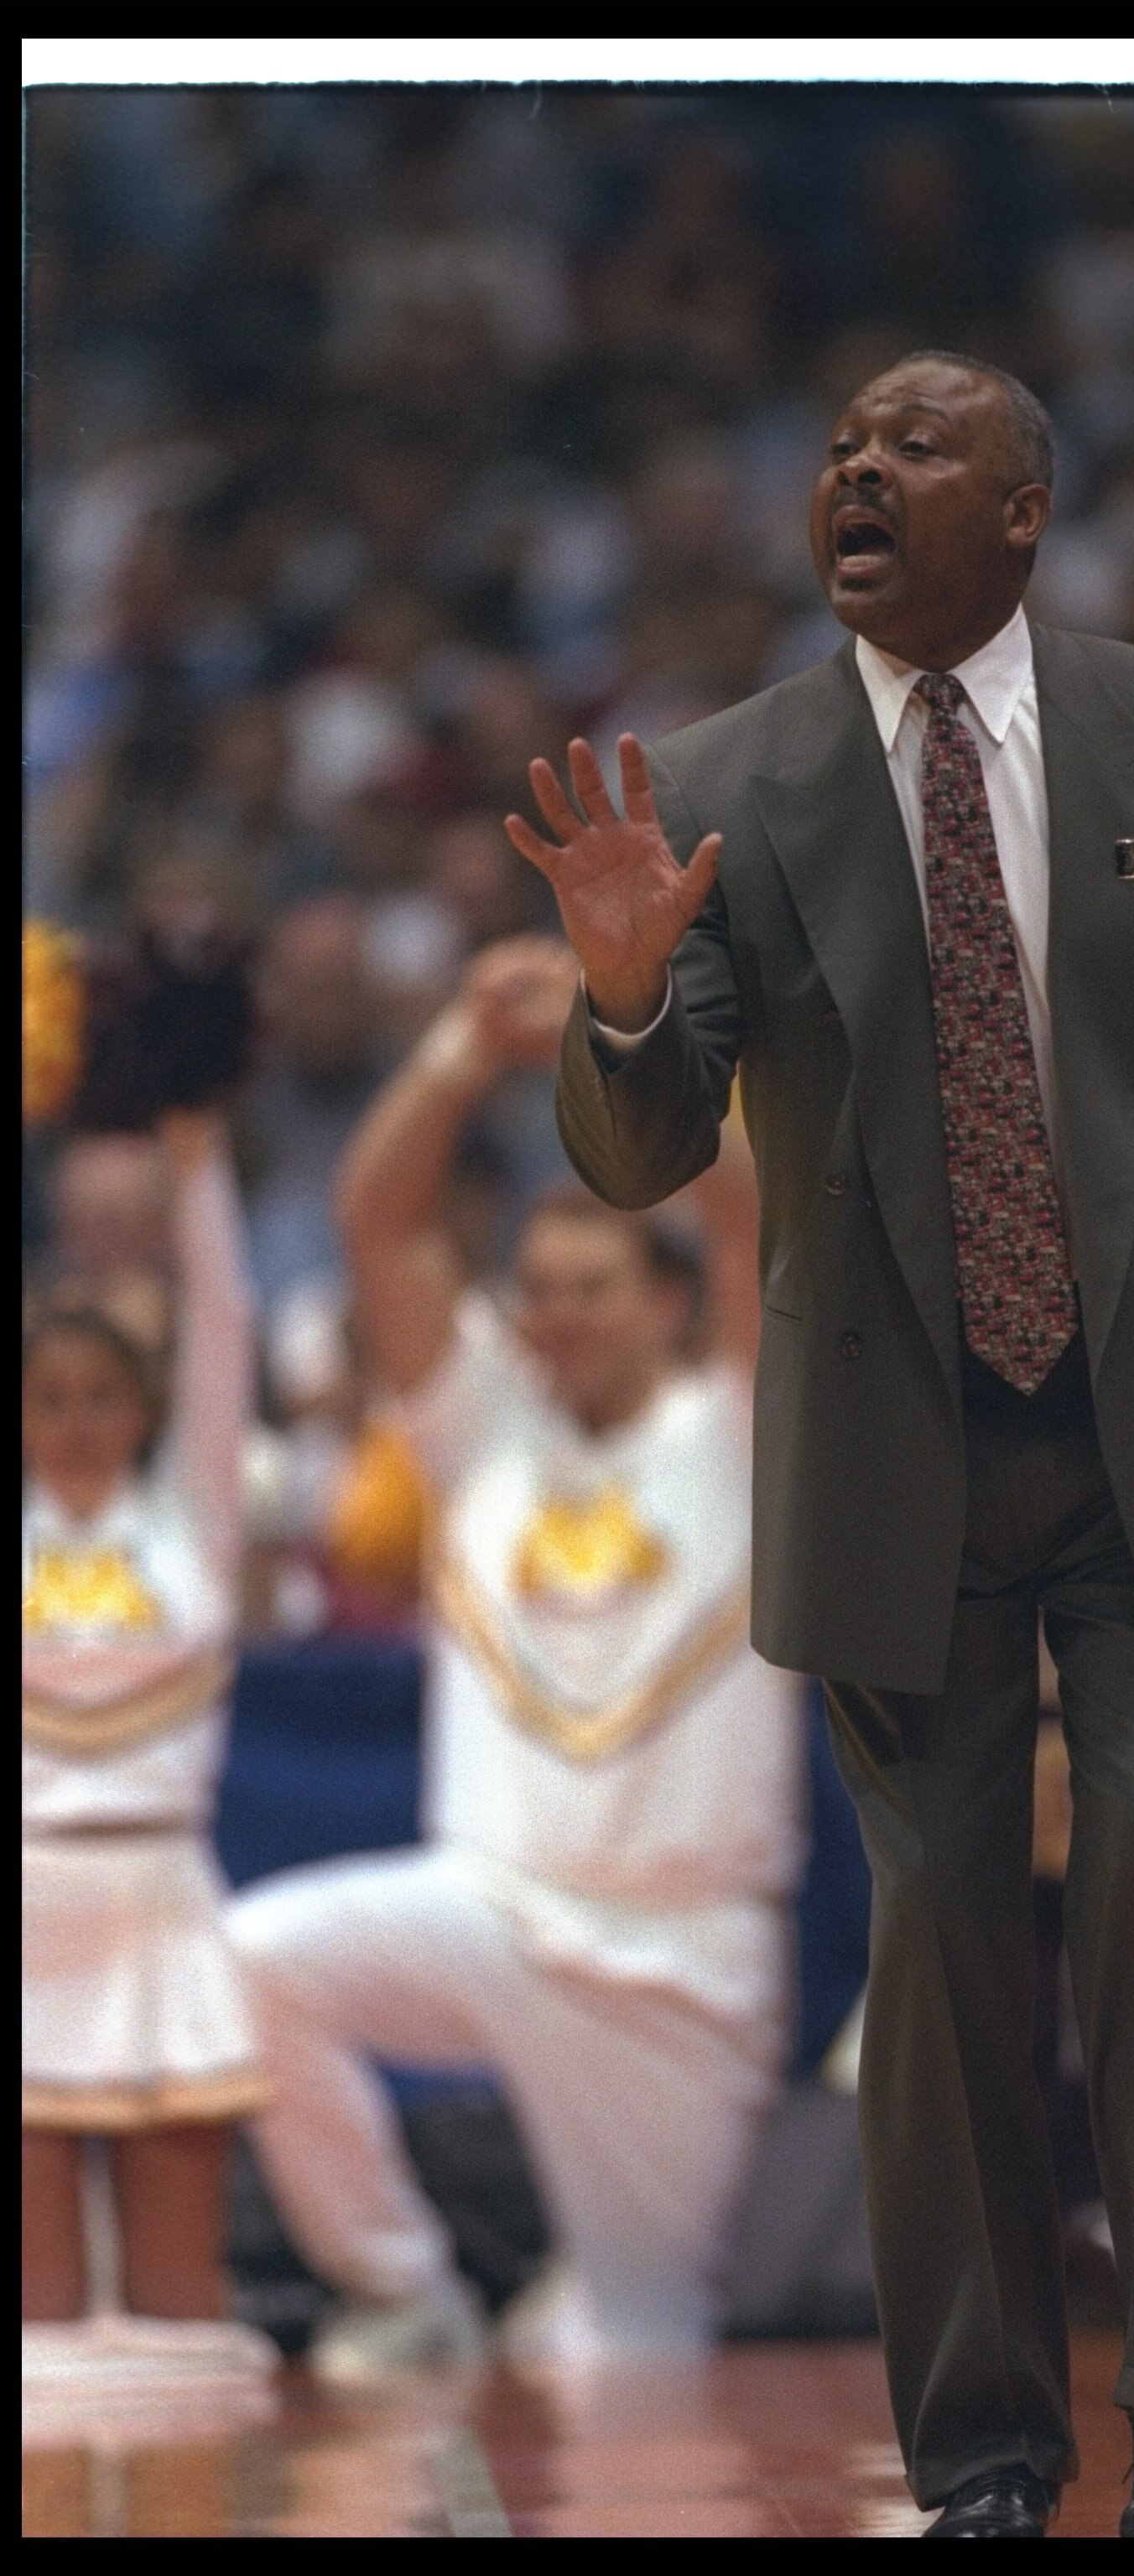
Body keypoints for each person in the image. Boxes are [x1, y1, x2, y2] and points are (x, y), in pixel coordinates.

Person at [512, 351, 1134, 2536]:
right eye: (835, 452)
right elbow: (641, 1152)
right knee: (939, 1938)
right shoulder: (723, 775)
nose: (857, 475)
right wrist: (621, 995)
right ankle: (986, 2458)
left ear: (1022, 509)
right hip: (895, 1455)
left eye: (911, 447)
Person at [227, 936, 803, 2378]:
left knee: (628, 2354)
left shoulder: (740, 1431)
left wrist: (633, 1030)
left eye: (595, 1286)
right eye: (539, 1287)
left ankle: (573, 2313)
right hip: (490, 1907)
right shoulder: (484, 1431)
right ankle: (402, 2289)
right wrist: (462, 1050)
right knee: (251, 1962)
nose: (558, 1315)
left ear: (663, 1303)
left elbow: (756, 1220)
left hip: (682, 1955)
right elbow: (377, 1221)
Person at [23, 1111, 270, 2345]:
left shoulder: (192, 1524)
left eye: (101, 1397)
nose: (74, 1422)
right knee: (37, 2332)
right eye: (48, 1398)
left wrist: (195, 1160)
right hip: (28, 1907)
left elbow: (226, 1322)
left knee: (183, 2312)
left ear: (147, 1408)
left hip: (162, 1894)